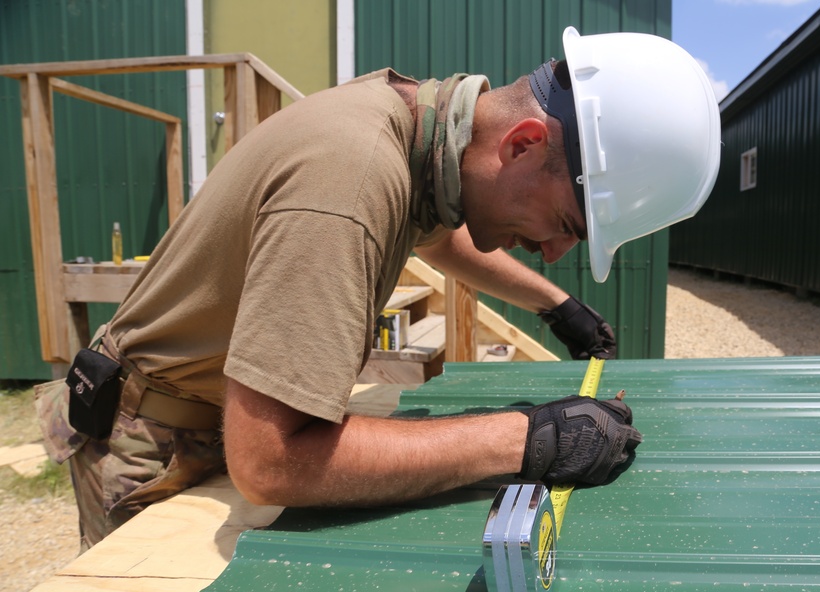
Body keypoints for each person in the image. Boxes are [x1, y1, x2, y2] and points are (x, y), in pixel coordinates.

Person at [36, 27, 720, 550]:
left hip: (209, 416)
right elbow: (270, 461)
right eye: (569, 224)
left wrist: (555, 305)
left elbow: (435, 236)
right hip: (152, 439)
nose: (557, 251)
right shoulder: (353, 176)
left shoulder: (412, 129)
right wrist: (525, 438)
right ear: (524, 144)